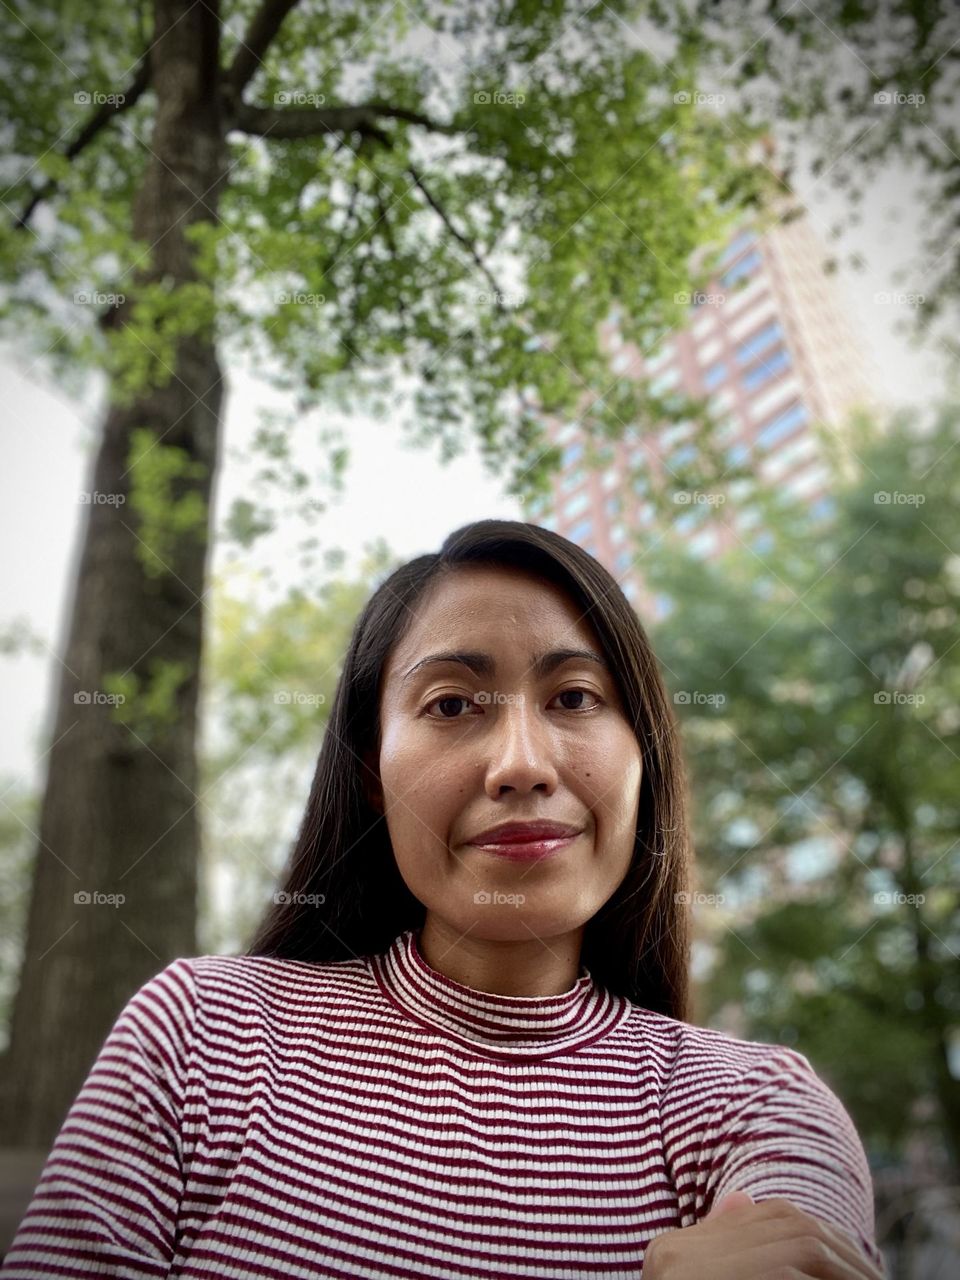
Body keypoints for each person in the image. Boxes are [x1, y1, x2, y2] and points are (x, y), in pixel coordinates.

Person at [3, 519, 886, 1278]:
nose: (522, 766)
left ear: (642, 755)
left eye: (575, 697)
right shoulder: (202, 1035)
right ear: (373, 779)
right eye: (453, 704)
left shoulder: (752, 1106)